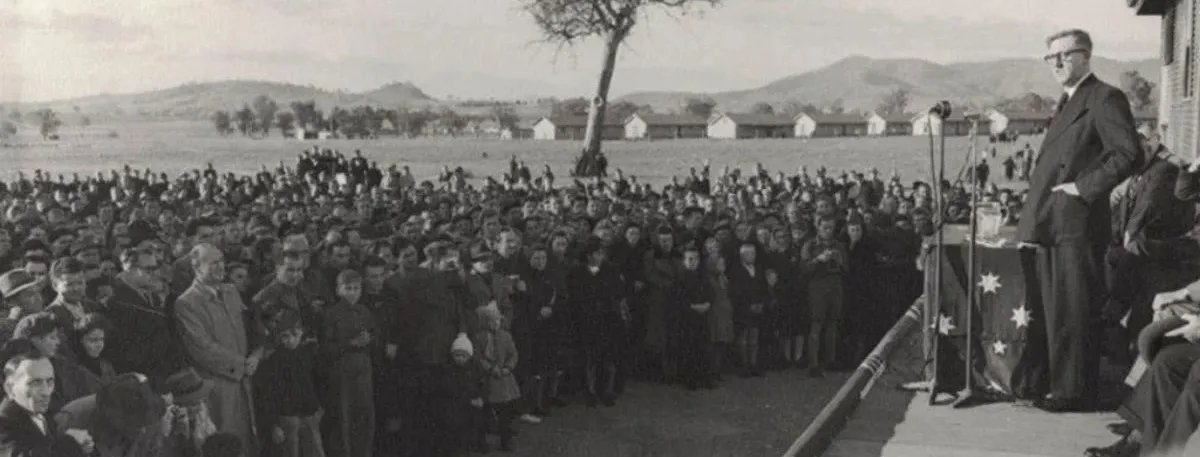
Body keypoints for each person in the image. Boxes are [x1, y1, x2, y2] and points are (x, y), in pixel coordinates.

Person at [1015, 28, 1141, 412]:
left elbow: (1128, 154)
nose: (1055, 62)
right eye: (1050, 57)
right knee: (1056, 308)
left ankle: (1073, 392)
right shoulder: (1068, 100)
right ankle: (1053, 383)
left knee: (1074, 308)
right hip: (1053, 222)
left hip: (1077, 223)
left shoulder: (1104, 98)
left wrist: (1083, 188)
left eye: (1064, 55)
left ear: (1085, 56)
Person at [174, 244, 259, 455]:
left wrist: (257, 354)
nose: (220, 267)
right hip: (218, 388)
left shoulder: (231, 291)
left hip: (245, 382)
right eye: (213, 263)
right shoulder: (186, 303)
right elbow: (202, 348)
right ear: (196, 267)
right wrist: (242, 365)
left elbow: (249, 328)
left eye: (221, 261)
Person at [255, 308, 324, 457]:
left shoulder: (308, 354)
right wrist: (273, 424)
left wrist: (319, 406)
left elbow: (317, 382)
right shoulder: (273, 361)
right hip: (287, 417)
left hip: (310, 413)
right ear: (279, 337)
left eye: (295, 334)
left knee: (315, 451)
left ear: (302, 332)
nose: (291, 340)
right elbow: (268, 395)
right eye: (285, 336)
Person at [321, 270, 375, 457]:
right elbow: (326, 348)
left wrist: (368, 340)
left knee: (364, 414)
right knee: (343, 416)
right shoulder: (331, 314)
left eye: (356, 288)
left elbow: (373, 336)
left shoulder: (364, 311)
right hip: (342, 369)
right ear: (339, 290)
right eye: (348, 288)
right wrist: (350, 343)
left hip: (363, 368)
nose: (352, 292)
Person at [0, 351, 90, 457]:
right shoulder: (3, 423)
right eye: (35, 383)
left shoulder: (41, 414)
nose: (46, 392)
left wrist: (80, 447)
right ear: (10, 389)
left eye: (50, 382)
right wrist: (70, 442)